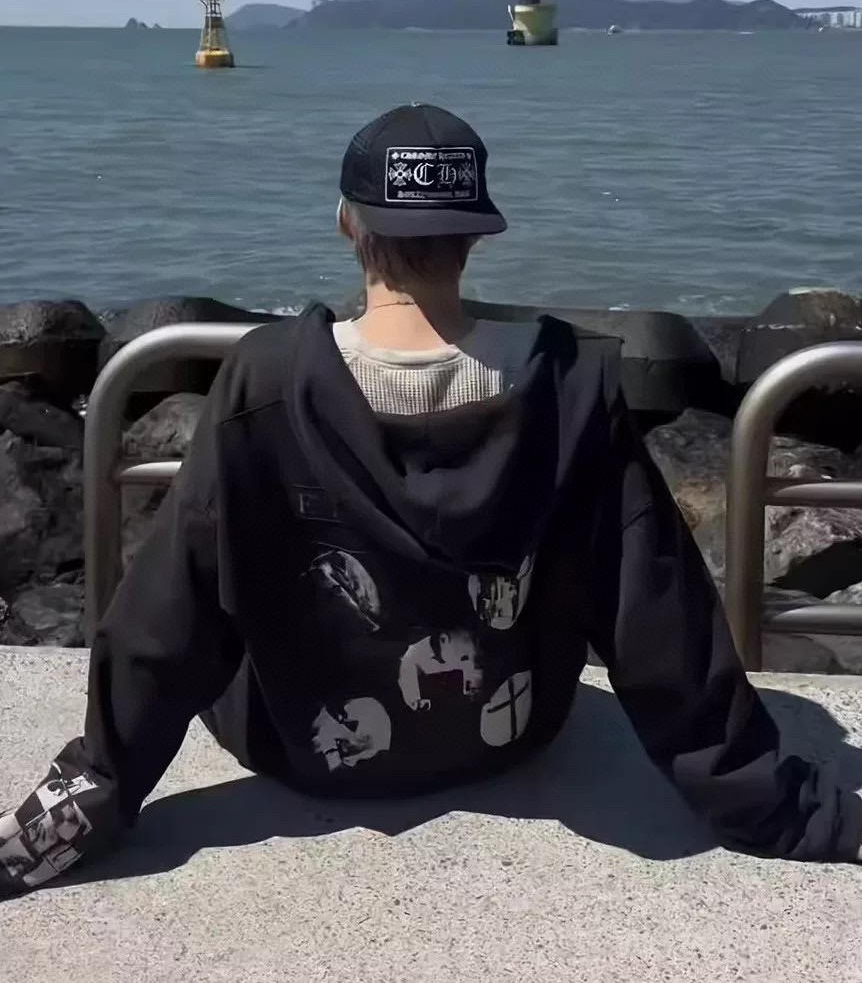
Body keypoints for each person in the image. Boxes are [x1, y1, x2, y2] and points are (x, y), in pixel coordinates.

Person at [2, 102, 861, 898]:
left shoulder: (265, 379)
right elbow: (658, 621)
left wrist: (87, 798)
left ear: (348, 223)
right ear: (475, 237)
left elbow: (167, 621)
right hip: (506, 735)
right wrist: (777, 804)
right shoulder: (569, 382)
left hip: (306, 749)